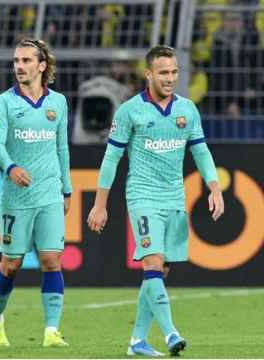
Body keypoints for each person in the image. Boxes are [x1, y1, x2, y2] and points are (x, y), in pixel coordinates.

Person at [87, 45, 224, 356]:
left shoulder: (187, 110)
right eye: (164, 72)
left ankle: (137, 341)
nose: (171, 78)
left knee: (160, 272)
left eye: (175, 72)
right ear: (148, 74)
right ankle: (171, 333)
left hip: (175, 197)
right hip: (143, 196)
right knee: (152, 263)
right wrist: (99, 204)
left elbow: (200, 151)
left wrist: (214, 188)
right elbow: (111, 159)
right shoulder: (129, 111)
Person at [0, 38, 72, 348]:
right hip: (16, 197)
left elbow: (62, 146)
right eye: (16, 61)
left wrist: (67, 188)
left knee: (52, 259)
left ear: (41, 65)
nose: (19, 66)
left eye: (25, 61)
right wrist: (11, 167)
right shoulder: (5, 102)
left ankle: (51, 330)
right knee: (12, 263)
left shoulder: (58, 103)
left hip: (49, 192)